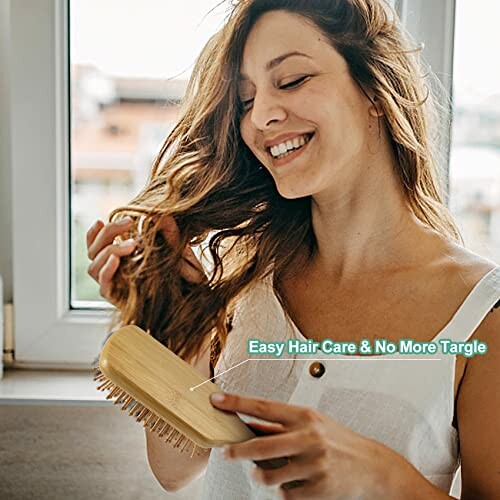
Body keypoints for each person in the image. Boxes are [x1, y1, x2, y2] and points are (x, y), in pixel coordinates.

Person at [86, 1, 500, 498]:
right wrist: (172, 318)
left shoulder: (480, 316)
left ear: (374, 89)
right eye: (244, 100)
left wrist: (385, 479)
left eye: (292, 80)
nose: (261, 116)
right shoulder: (243, 278)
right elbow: (176, 468)